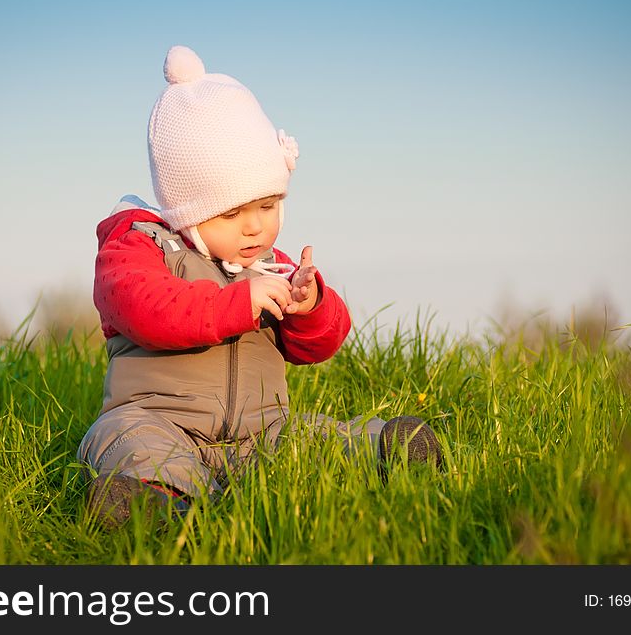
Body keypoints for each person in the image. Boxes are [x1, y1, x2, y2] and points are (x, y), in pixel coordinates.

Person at [78, 46, 441, 528]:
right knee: (125, 438)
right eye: (231, 213)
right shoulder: (140, 245)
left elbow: (320, 343)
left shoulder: (271, 267)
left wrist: (310, 305)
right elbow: (145, 309)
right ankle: (155, 504)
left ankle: (385, 449)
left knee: (308, 439)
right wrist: (235, 304)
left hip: (260, 433)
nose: (254, 228)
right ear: (187, 207)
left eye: (267, 207)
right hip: (160, 420)